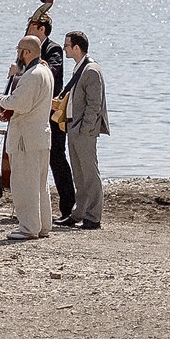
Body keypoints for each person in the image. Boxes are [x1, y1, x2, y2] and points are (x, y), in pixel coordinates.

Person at [0, 34, 54, 240]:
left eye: (19, 50)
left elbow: (21, 103)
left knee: (24, 183)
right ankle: (43, 225)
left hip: (26, 138)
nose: (17, 54)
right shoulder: (45, 71)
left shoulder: (32, 75)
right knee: (39, 182)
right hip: (40, 135)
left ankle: (29, 227)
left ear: (27, 52)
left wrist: (3, 100)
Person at [26, 0, 76, 224]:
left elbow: (53, 73)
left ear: (42, 29)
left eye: (32, 28)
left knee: (57, 157)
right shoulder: (30, 51)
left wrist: (33, 64)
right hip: (33, 112)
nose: (28, 32)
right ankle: (32, 205)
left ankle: (68, 207)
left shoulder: (53, 50)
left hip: (52, 113)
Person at [59, 31, 109, 230]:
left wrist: (85, 129)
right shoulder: (80, 68)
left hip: (83, 130)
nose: (64, 48)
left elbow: (94, 105)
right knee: (78, 175)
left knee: (89, 174)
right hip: (73, 126)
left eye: (67, 45)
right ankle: (78, 213)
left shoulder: (91, 71)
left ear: (76, 48)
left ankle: (93, 217)